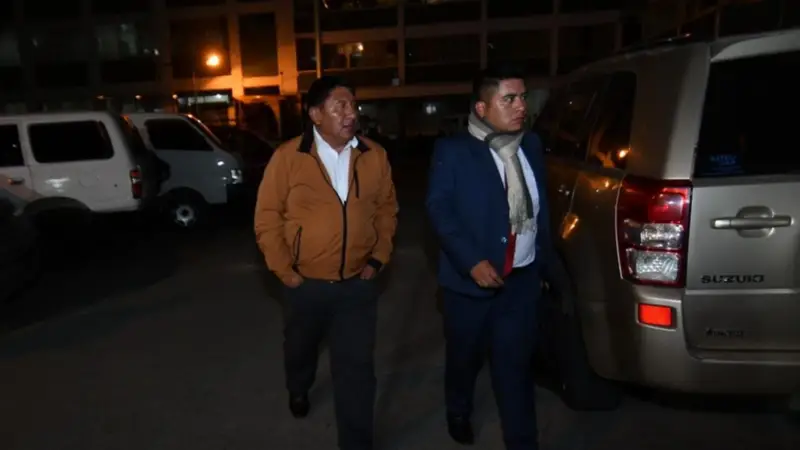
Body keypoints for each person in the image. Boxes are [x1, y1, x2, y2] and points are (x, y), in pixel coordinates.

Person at [254, 76, 398, 450]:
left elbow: (387, 210)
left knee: (356, 371)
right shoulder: (288, 157)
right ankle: (299, 385)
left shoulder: (374, 155)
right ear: (315, 114)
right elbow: (267, 217)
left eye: (353, 105)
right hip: (306, 285)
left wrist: (379, 257)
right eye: (340, 106)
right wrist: (285, 271)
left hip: (357, 285)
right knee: (300, 348)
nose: (351, 114)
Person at [425, 66, 555, 450]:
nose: (521, 107)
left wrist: (545, 265)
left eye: (523, 97)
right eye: (509, 99)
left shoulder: (531, 145)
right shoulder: (454, 151)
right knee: (464, 360)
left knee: (515, 368)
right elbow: (439, 209)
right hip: (470, 285)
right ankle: (458, 410)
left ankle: (522, 441)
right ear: (482, 108)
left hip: (522, 282)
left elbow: (540, 211)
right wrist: (471, 261)